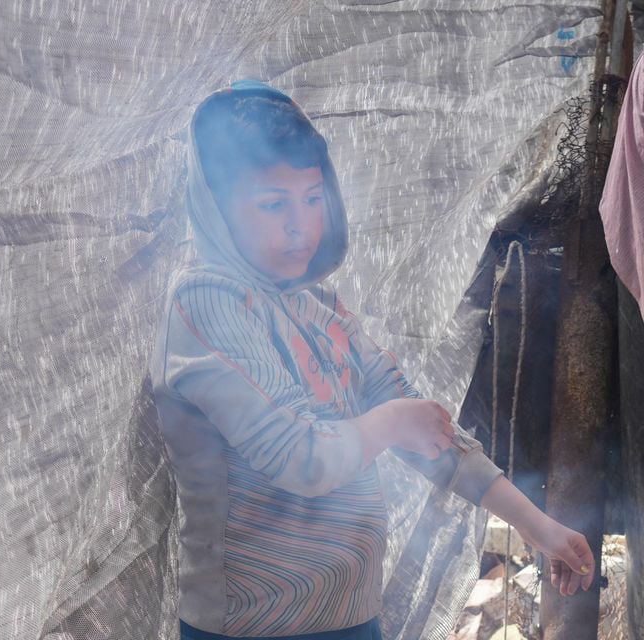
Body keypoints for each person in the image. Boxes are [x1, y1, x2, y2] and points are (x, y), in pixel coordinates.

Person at [149, 81, 595, 640]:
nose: (299, 225)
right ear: (216, 207)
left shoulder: (318, 307)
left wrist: (540, 526)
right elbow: (297, 457)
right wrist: (390, 424)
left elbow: (428, 432)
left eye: (313, 199)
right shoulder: (204, 302)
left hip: (352, 614)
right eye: (272, 204)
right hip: (251, 623)